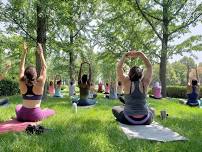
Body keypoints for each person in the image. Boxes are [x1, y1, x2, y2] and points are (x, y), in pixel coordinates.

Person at [16, 42, 55, 122]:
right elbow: (44, 68)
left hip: (22, 115)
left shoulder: (22, 81)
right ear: (35, 75)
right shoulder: (39, 82)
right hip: (35, 115)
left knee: (18, 106)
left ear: (25, 75)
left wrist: (24, 53)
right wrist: (41, 54)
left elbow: (21, 68)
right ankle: (44, 111)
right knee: (51, 111)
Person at [112, 51, 153, 125]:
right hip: (145, 119)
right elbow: (149, 66)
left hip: (129, 119)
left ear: (130, 74)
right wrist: (141, 54)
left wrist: (125, 56)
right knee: (152, 110)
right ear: (141, 74)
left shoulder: (126, 82)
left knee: (115, 109)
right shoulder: (145, 83)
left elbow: (119, 67)